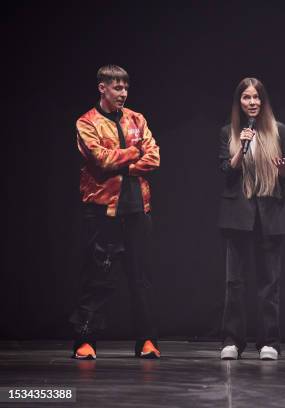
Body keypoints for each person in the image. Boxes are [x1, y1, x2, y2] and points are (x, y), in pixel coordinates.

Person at [69, 64, 161, 360]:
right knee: (98, 276)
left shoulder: (138, 119)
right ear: (102, 88)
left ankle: (146, 340)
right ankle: (86, 341)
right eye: (116, 88)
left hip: (138, 208)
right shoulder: (87, 122)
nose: (122, 93)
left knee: (141, 277)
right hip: (102, 210)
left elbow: (155, 157)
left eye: (125, 88)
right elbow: (100, 159)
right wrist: (134, 153)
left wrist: (127, 161)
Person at [218, 77, 285, 361]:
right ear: (239, 102)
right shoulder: (228, 132)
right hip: (237, 214)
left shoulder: (281, 132)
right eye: (246, 98)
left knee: (269, 282)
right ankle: (232, 340)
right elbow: (227, 173)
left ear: (263, 102)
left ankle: (269, 342)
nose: (252, 103)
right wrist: (241, 146)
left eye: (256, 98)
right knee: (234, 282)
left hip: (270, 213)